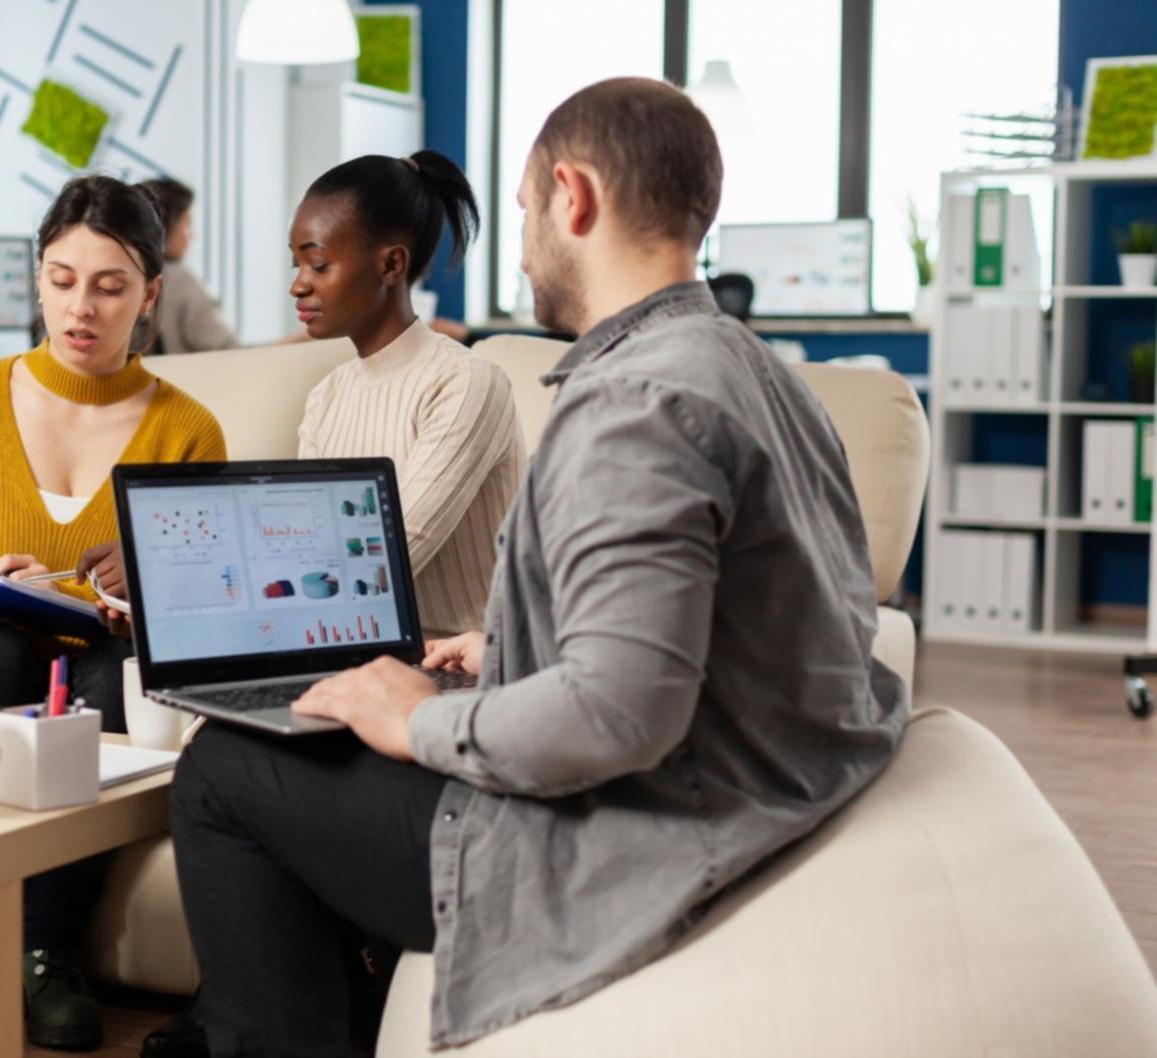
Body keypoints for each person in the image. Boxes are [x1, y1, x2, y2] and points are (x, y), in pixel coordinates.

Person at [166, 77, 908, 1058]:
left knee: (222, 769)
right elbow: (786, 610)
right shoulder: (755, 367)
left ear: (573, 196)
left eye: (522, 213)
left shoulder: (635, 402)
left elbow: (616, 714)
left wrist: (418, 716)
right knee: (316, 731)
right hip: (759, 776)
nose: (519, 248)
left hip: (647, 829)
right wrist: (513, 645)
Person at [0, 173, 226, 1056]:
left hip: (98, 673)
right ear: (38, 278)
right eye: (64, 280)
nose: (83, 309)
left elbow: (202, 596)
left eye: (111, 287)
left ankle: (44, 950)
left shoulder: (187, 430)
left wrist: (138, 599)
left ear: (151, 296)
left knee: (105, 682)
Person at [291, 150, 524, 639]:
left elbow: (388, 556)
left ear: (391, 264)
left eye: (317, 264)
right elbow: (305, 553)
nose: (297, 285)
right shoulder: (326, 398)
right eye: (297, 265)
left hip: (457, 667)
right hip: (351, 652)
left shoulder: (464, 384)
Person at [137, 177, 238, 354]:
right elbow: (227, 351)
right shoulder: (177, 278)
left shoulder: (132, 276)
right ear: (165, 225)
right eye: (187, 224)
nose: (190, 235)